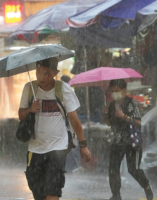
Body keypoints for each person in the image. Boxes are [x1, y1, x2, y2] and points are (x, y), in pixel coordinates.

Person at [18, 57, 91, 200]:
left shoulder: (63, 89)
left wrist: (83, 145)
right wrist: (30, 109)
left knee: (52, 190)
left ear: (55, 73)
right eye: (38, 73)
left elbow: (74, 120)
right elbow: (21, 115)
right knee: (37, 190)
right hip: (35, 149)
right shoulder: (29, 89)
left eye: (46, 74)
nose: (41, 77)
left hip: (58, 148)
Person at [103, 79, 153, 200]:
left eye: (117, 91)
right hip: (117, 141)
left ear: (124, 90)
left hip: (132, 141)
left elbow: (138, 123)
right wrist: (105, 115)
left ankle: (146, 187)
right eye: (112, 91)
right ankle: (116, 195)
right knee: (113, 168)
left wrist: (123, 116)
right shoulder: (111, 105)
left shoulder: (132, 103)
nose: (114, 93)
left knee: (133, 169)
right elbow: (110, 123)